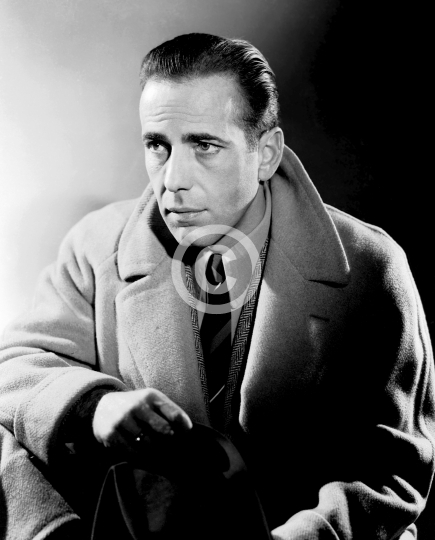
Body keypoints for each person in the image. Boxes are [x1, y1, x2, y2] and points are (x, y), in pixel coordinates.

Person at [0, 33, 433, 540]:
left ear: (266, 153)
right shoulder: (96, 247)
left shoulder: (371, 266)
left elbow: (393, 470)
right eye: (157, 146)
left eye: (204, 146)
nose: (172, 180)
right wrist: (93, 406)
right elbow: (13, 369)